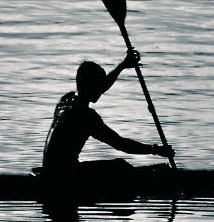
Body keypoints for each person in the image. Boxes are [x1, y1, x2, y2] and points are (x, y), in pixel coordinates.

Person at [38, 48, 173, 175]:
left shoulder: (65, 100)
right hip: (64, 177)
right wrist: (155, 150)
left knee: (119, 166)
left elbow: (101, 86)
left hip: (50, 170)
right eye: (97, 86)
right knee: (119, 166)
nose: (101, 91)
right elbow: (119, 144)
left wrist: (123, 65)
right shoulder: (86, 117)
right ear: (89, 86)